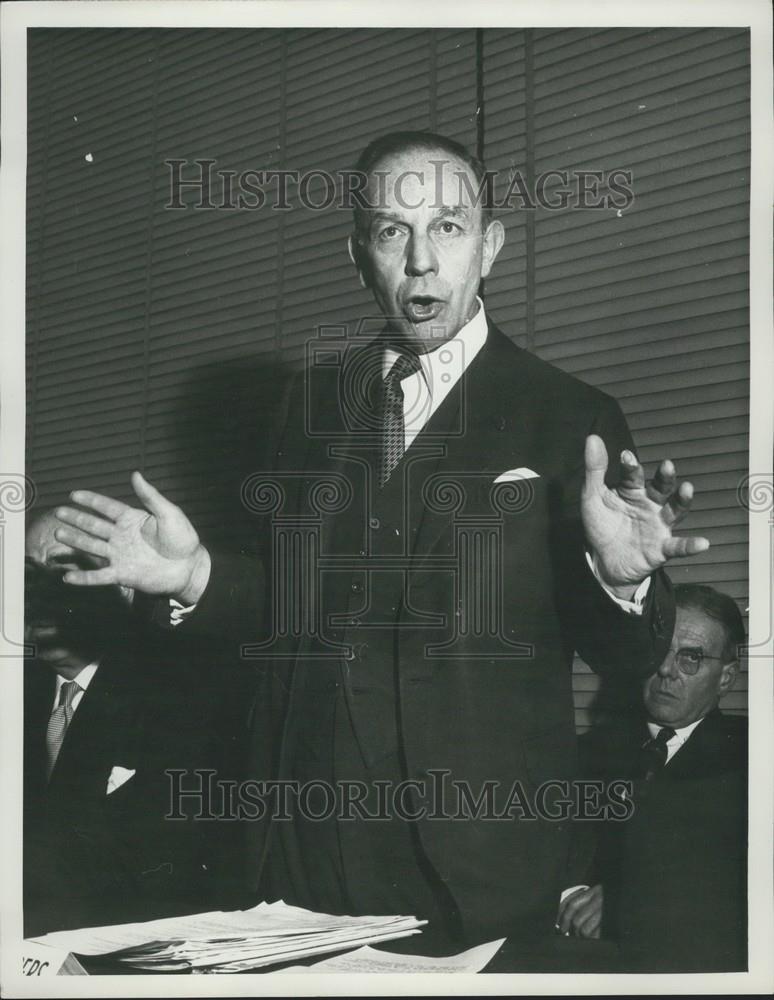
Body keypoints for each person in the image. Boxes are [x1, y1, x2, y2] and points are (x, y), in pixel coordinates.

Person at [52, 131, 710, 954]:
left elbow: (625, 655)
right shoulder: (310, 402)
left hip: (474, 862)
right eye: (393, 232)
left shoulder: (568, 414)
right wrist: (196, 574)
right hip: (299, 846)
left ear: (492, 246)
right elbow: (290, 602)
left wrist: (624, 584)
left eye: (448, 227)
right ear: (359, 253)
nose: (423, 261)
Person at [23, 510, 237, 937]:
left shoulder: (182, 696)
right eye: (29, 577)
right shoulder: (15, 695)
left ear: (122, 588)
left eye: (64, 574)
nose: (39, 596)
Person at [557, 583, 747, 972]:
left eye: (690, 658)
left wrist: (627, 903)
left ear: (726, 678)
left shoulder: (752, 758)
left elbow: (739, 886)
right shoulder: (582, 753)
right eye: (659, 650)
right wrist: (570, 895)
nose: (666, 670)